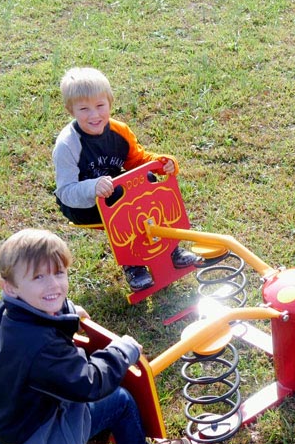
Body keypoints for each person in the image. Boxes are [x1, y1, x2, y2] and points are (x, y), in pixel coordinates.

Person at [0, 229, 192, 444]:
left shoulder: (4, 313)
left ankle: (94, 435)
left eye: (59, 273)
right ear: (9, 286)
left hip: (4, 428)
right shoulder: (41, 347)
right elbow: (90, 383)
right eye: (38, 277)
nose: (53, 285)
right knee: (119, 399)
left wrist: (68, 311)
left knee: (69, 384)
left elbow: (46, 320)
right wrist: (122, 351)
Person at [52, 66, 200, 291]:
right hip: (81, 204)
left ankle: (171, 249)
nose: (94, 115)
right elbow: (66, 192)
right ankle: (134, 264)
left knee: (149, 183)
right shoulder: (67, 145)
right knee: (124, 206)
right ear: (70, 110)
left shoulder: (119, 131)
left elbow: (137, 160)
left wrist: (161, 163)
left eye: (100, 106)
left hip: (114, 188)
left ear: (110, 103)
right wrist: (92, 188)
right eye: (84, 109)